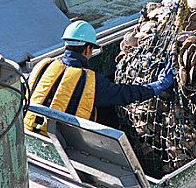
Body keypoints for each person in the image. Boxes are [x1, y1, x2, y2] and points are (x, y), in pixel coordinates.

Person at [24, 20, 174, 135]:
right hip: (61, 143)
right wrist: (157, 86)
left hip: (28, 131)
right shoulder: (89, 81)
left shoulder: (43, 65)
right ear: (88, 49)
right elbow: (125, 93)